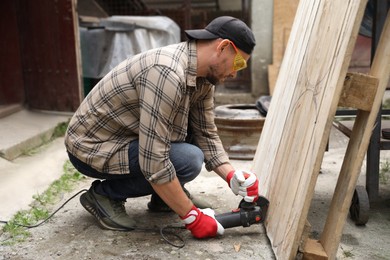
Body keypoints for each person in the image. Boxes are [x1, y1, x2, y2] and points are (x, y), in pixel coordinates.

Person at [65, 16, 259, 239]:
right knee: (187, 159)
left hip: (129, 139)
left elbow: (206, 132)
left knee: (192, 141)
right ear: (223, 46)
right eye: (238, 64)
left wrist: (232, 176)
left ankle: (164, 197)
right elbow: (154, 161)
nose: (235, 73)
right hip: (92, 147)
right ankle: (104, 195)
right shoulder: (167, 72)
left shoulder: (204, 78)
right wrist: (191, 216)